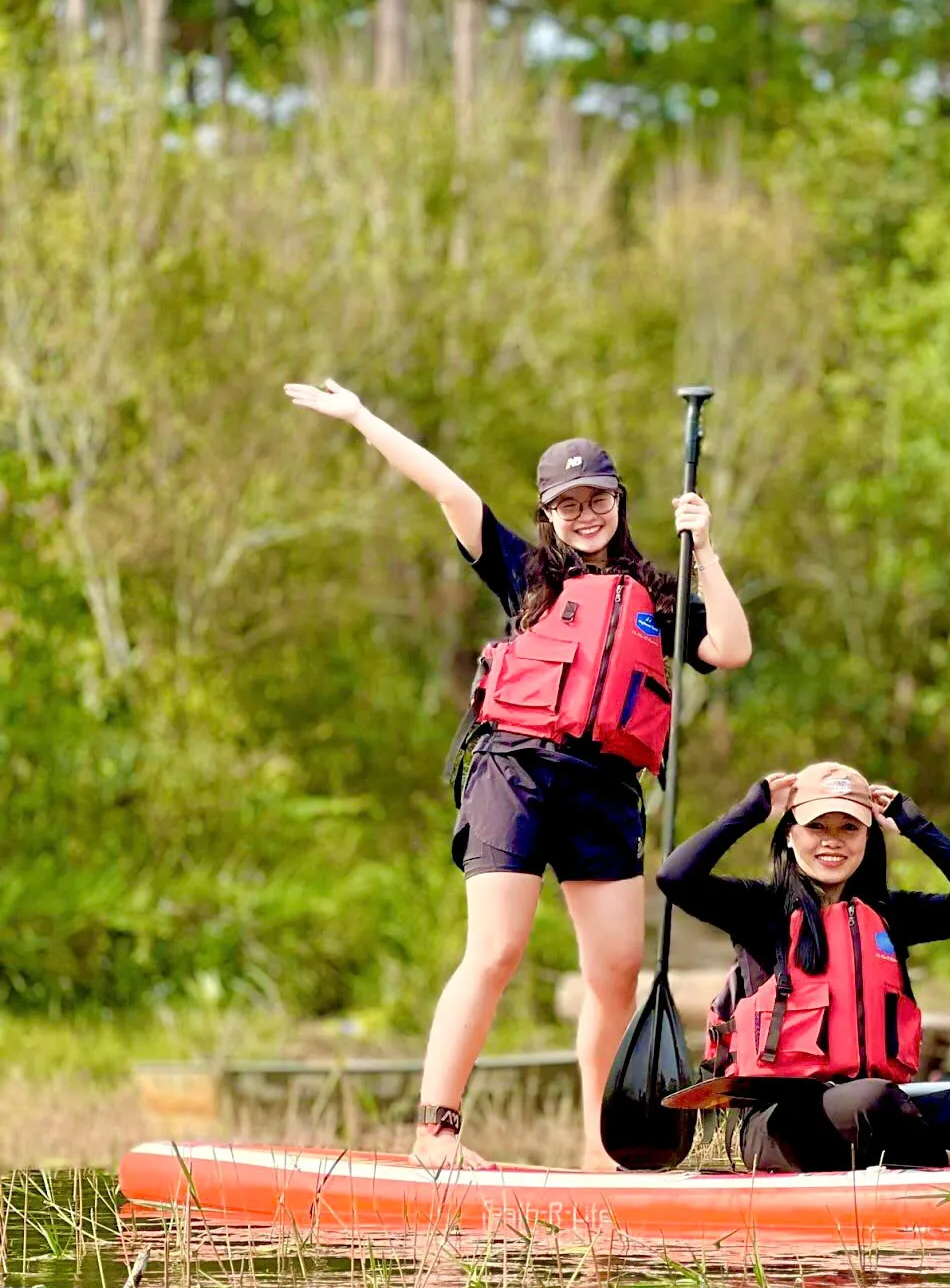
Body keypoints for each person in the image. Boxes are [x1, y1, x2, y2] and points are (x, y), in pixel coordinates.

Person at [283, 378, 752, 1169]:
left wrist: (704, 549)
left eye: (596, 497)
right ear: (548, 513)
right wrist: (364, 419)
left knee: (616, 973)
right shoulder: (526, 573)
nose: (585, 514)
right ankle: (436, 1132)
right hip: (517, 770)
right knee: (496, 949)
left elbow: (731, 649)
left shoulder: (661, 590)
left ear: (618, 499)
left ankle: (599, 1154)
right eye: (568, 504)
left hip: (605, 789)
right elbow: (446, 487)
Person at [658, 762, 950, 1172]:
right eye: (817, 827)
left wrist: (916, 825)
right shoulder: (761, 910)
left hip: (882, 1113)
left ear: (868, 836)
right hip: (783, 1123)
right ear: (791, 835)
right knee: (872, 1100)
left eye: (849, 828)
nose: (833, 841)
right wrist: (749, 812)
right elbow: (676, 877)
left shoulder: (890, 914)